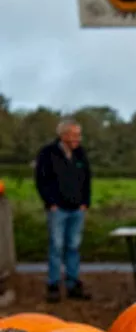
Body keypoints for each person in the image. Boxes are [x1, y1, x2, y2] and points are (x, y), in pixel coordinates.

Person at [34, 120, 92, 303]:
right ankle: (53, 285)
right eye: (74, 135)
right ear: (63, 135)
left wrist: (85, 202)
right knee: (56, 246)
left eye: (79, 135)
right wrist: (50, 203)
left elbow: (87, 178)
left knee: (73, 246)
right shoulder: (48, 153)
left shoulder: (80, 154)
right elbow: (40, 179)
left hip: (77, 208)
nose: (78, 139)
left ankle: (73, 283)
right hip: (58, 209)